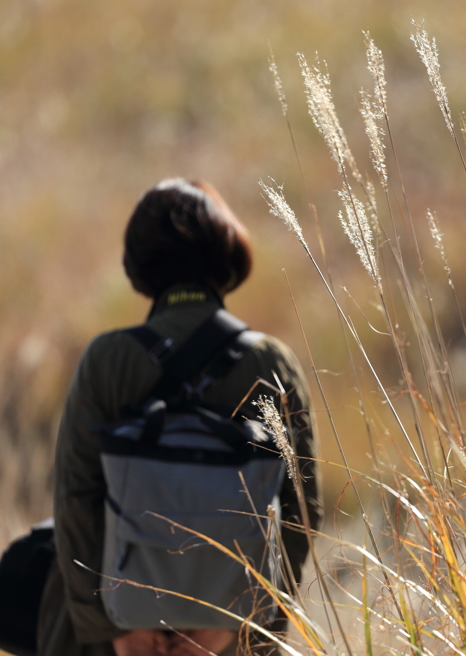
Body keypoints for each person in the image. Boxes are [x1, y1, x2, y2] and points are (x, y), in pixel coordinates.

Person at [37, 179, 321, 656]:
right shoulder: (271, 364)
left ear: (139, 265)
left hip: (116, 635)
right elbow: (299, 513)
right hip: (231, 635)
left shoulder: (107, 361)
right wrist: (239, 630)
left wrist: (117, 632)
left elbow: (75, 504)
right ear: (228, 260)